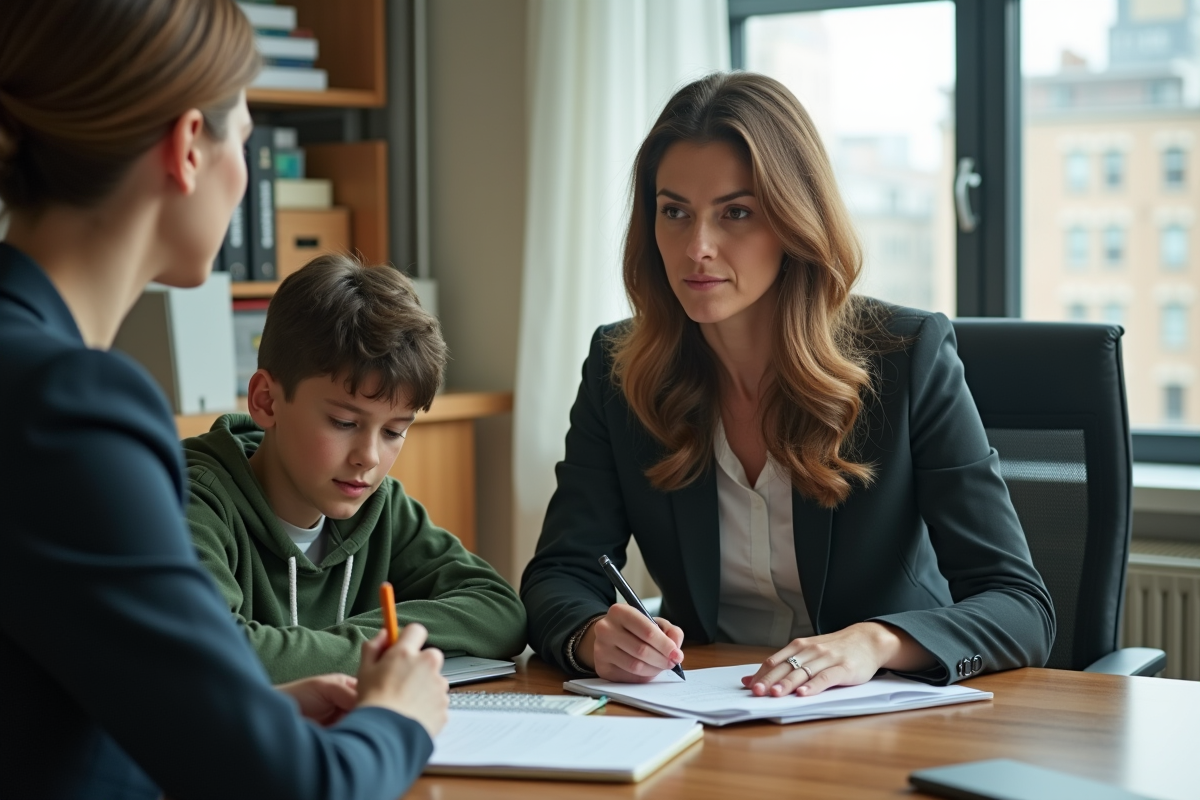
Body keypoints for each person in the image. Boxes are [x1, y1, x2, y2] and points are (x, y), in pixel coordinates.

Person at [0, 2, 447, 798]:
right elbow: (291, 789)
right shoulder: (70, 408)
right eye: (244, 140)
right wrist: (399, 720)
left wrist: (252, 710)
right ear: (187, 148)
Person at [521, 72, 1055, 698]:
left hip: (881, 721)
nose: (697, 247)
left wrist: (873, 642)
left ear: (794, 220)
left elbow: (1021, 607)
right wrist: (589, 634)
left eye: (736, 213)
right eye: (674, 212)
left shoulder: (907, 358)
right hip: (703, 711)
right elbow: (560, 574)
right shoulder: (620, 367)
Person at [185, 253, 527, 683]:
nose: (368, 456)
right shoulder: (193, 499)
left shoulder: (379, 507)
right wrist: (379, 653)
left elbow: (498, 611)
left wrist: (334, 648)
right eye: (344, 423)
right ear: (267, 402)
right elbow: (213, 654)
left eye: (394, 432)